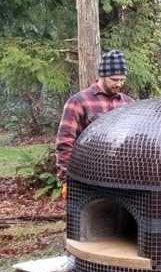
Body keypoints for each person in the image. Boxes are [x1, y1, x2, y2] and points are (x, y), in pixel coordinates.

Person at [55, 49, 135, 181]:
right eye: (114, 79)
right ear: (102, 76)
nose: (119, 84)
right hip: (88, 176)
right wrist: (67, 179)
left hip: (122, 178)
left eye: (122, 80)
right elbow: (65, 143)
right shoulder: (79, 102)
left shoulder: (129, 103)